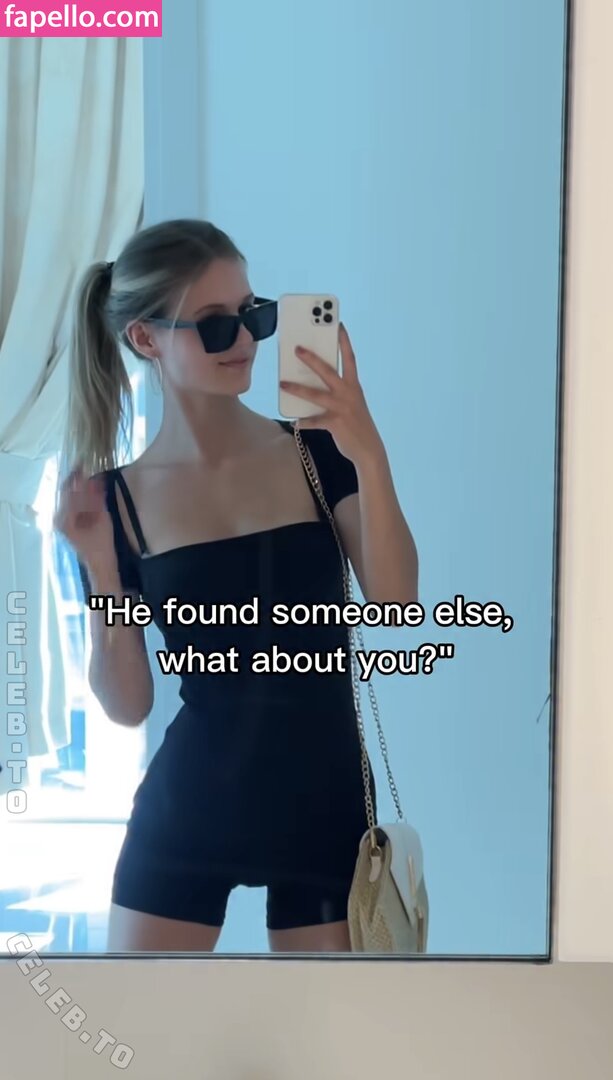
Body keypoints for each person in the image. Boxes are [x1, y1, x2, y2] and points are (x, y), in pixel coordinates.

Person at [53, 218, 418, 953]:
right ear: (146, 339)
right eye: (216, 324)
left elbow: (396, 602)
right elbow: (128, 705)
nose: (246, 339)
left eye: (254, 314)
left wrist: (369, 452)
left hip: (326, 803)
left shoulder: (317, 452)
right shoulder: (116, 502)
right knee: (146, 1025)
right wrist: (100, 567)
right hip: (191, 809)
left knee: (330, 1028)